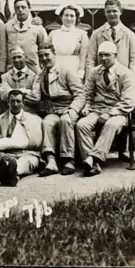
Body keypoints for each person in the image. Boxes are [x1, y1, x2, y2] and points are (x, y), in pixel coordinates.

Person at [76, 42, 135, 176]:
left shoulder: (126, 74)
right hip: (97, 110)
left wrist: (110, 114)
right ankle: (94, 164)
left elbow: (128, 101)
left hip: (119, 112)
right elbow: (88, 93)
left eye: (107, 55)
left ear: (115, 56)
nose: (104, 58)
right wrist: (87, 107)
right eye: (101, 55)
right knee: (82, 125)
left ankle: (92, 158)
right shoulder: (94, 72)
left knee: (110, 124)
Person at [36, 42, 85, 177]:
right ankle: (51, 161)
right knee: (46, 122)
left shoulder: (67, 71)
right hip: (54, 110)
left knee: (65, 120)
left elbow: (80, 94)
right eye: (41, 56)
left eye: (47, 55)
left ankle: (69, 160)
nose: (44, 59)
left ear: (54, 55)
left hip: (69, 107)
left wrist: (73, 110)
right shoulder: (42, 75)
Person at [0, 89, 44, 186]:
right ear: (8, 103)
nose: (15, 104)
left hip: (27, 154)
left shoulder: (33, 119)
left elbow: (38, 143)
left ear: (23, 103)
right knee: (9, 162)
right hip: (7, 155)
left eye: (18, 101)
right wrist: (1, 156)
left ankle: (10, 172)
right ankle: (12, 175)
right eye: (12, 101)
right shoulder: (0, 120)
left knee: (27, 162)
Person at [86, 0, 135, 80]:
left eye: (114, 11)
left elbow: (134, 61)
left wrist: (132, 80)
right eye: (108, 11)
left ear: (120, 12)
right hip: (101, 79)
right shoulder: (96, 34)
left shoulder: (129, 34)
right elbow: (90, 59)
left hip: (122, 78)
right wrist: (90, 80)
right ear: (105, 13)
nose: (111, 14)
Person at [5, 0, 48, 74]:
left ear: (29, 8)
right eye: (17, 8)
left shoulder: (38, 27)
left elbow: (44, 48)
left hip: (33, 68)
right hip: (13, 69)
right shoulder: (7, 27)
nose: (20, 10)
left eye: (23, 7)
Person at [48, 4, 89, 79]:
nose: (69, 18)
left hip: (74, 69)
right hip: (56, 69)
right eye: (66, 15)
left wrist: (80, 74)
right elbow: (48, 54)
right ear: (61, 17)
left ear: (76, 18)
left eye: (72, 16)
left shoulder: (82, 34)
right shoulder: (53, 33)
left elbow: (83, 57)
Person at [0, 45, 41, 114]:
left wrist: (12, 92)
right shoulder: (5, 77)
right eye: (14, 58)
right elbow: (3, 96)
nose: (17, 60)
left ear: (25, 57)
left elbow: (36, 97)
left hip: (29, 113)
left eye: (19, 57)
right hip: (10, 114)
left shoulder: (34, 77)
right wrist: (25, 91)